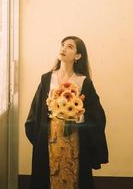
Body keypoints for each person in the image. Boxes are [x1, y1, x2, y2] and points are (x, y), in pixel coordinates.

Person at [25, 36, 108, 189]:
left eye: (69, 46)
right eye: (62, 45)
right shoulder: (47, 79)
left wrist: (78, 116)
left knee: (74, 177)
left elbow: (97, 116)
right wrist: (39, 139)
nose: (63, 48)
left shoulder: (84, 81)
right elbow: (35, 112)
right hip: (50, 138)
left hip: (75, 138)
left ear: (78, 56)